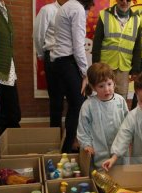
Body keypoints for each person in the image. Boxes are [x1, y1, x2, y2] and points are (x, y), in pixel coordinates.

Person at [51, 0, 94, 153]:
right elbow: (78, 45)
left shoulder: (67, 6)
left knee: (73, 104)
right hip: (67, 61)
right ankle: (67, 149)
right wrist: (85, 73)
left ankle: (69, 146)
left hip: (60, 61)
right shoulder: (77, 9)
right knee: (78, 104)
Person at [77, 63, 129, 169]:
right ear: (93, 87)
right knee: (102, 178)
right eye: (101, 86)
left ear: (114, 82)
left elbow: (128, 122)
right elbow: (83, 128)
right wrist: (86, 145)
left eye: (109, 84)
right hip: (99, 154)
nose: (106, 89)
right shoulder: (88, 105)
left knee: (121, 177)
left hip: (120, 152)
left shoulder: (120, 100)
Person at [92, 0, 141, 100]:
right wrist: (95, 65)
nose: (124, 2)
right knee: (104, 96)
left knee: (121, 98)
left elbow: (137, 47)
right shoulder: (104, 15)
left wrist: (135, 69)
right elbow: (97, 42)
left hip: (124, 67)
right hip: (104, 66)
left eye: (127, 0)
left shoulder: (137, 19)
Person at [0, 0, 21, 136]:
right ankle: (7, 151)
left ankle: (14, 150)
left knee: (14, 113)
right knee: (3, 118)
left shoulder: (4, 8)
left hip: (8, 71)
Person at [33, 0, 64, 127]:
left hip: (71, 60)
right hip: (52, 56)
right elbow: (38, 34)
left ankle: (72, 137)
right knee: (56, 99)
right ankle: (56, 134)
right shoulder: (47, 10)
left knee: (76, 99)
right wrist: (41, 54)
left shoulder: (74, 10)